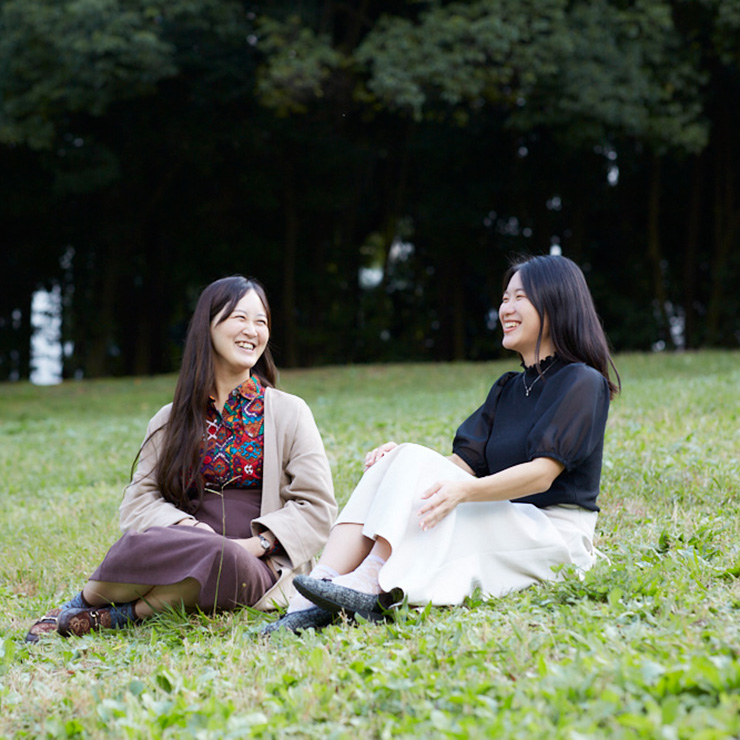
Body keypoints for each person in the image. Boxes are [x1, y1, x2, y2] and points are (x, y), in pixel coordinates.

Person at [266, 254, 619, 633]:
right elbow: (459, 466)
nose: (506, 309)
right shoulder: (508, 389)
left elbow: (541, 475)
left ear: (556, 302)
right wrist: (398, 464)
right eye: (504, 299)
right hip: (505, 518)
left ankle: (372, 580)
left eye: (520, 298)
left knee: (415, 462)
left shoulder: (582, 381)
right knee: (404, 456)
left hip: (552, 535)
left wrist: (464, 492)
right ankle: (319, 585)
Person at [26, 276, 337, 641]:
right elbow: (140, 501)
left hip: (256, 563)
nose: (252, 330)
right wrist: (189, 530)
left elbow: (317, 506)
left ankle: (124, 615)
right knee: (138, 544)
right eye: (239, 318)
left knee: (224, 561)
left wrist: (258, 544)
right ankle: (78, 604)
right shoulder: (169, 419)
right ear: (208, 326)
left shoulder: (289, 412)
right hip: (183, 543)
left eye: (261, 321)